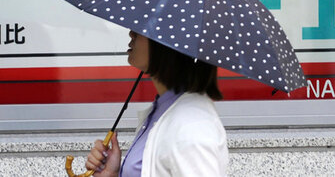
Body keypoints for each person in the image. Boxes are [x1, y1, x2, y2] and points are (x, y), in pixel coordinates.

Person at [85, 30, 228, 176]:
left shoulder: (192, 126)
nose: (131, 34)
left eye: (142, 29)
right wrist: (112, 174)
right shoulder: (163, 109)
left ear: (167, 42)